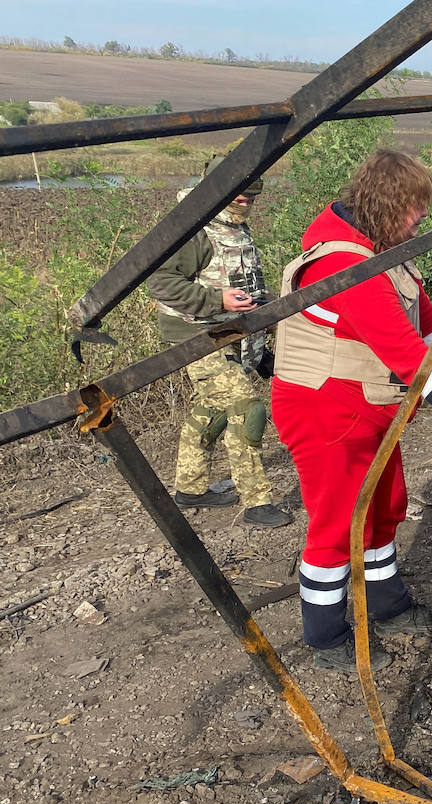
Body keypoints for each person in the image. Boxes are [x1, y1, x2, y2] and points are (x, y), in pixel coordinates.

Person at [271, 149, 432, 672]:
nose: (421, 218)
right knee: (337, 526)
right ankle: (326, 638)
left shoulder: (383, 250)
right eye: (415, 209)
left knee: (383, 508)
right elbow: (411, 358)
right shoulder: (346, 267)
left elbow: (429, 325)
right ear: (387, 205)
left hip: (366, 408)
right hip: (325, 412)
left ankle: (389, 609)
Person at [146, 160, 292, 528]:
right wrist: (217, 301)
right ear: (217, 190)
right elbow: (160, 283)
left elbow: (240, 282)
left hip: (233, 336)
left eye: (251, 198)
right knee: (247, 408)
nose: (245, 203)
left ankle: (191, 489)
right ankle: (257, 503)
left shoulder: (234, 228)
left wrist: (259, 350)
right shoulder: (191, 229)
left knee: (211, 409)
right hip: (197, 337)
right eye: (239, 196)